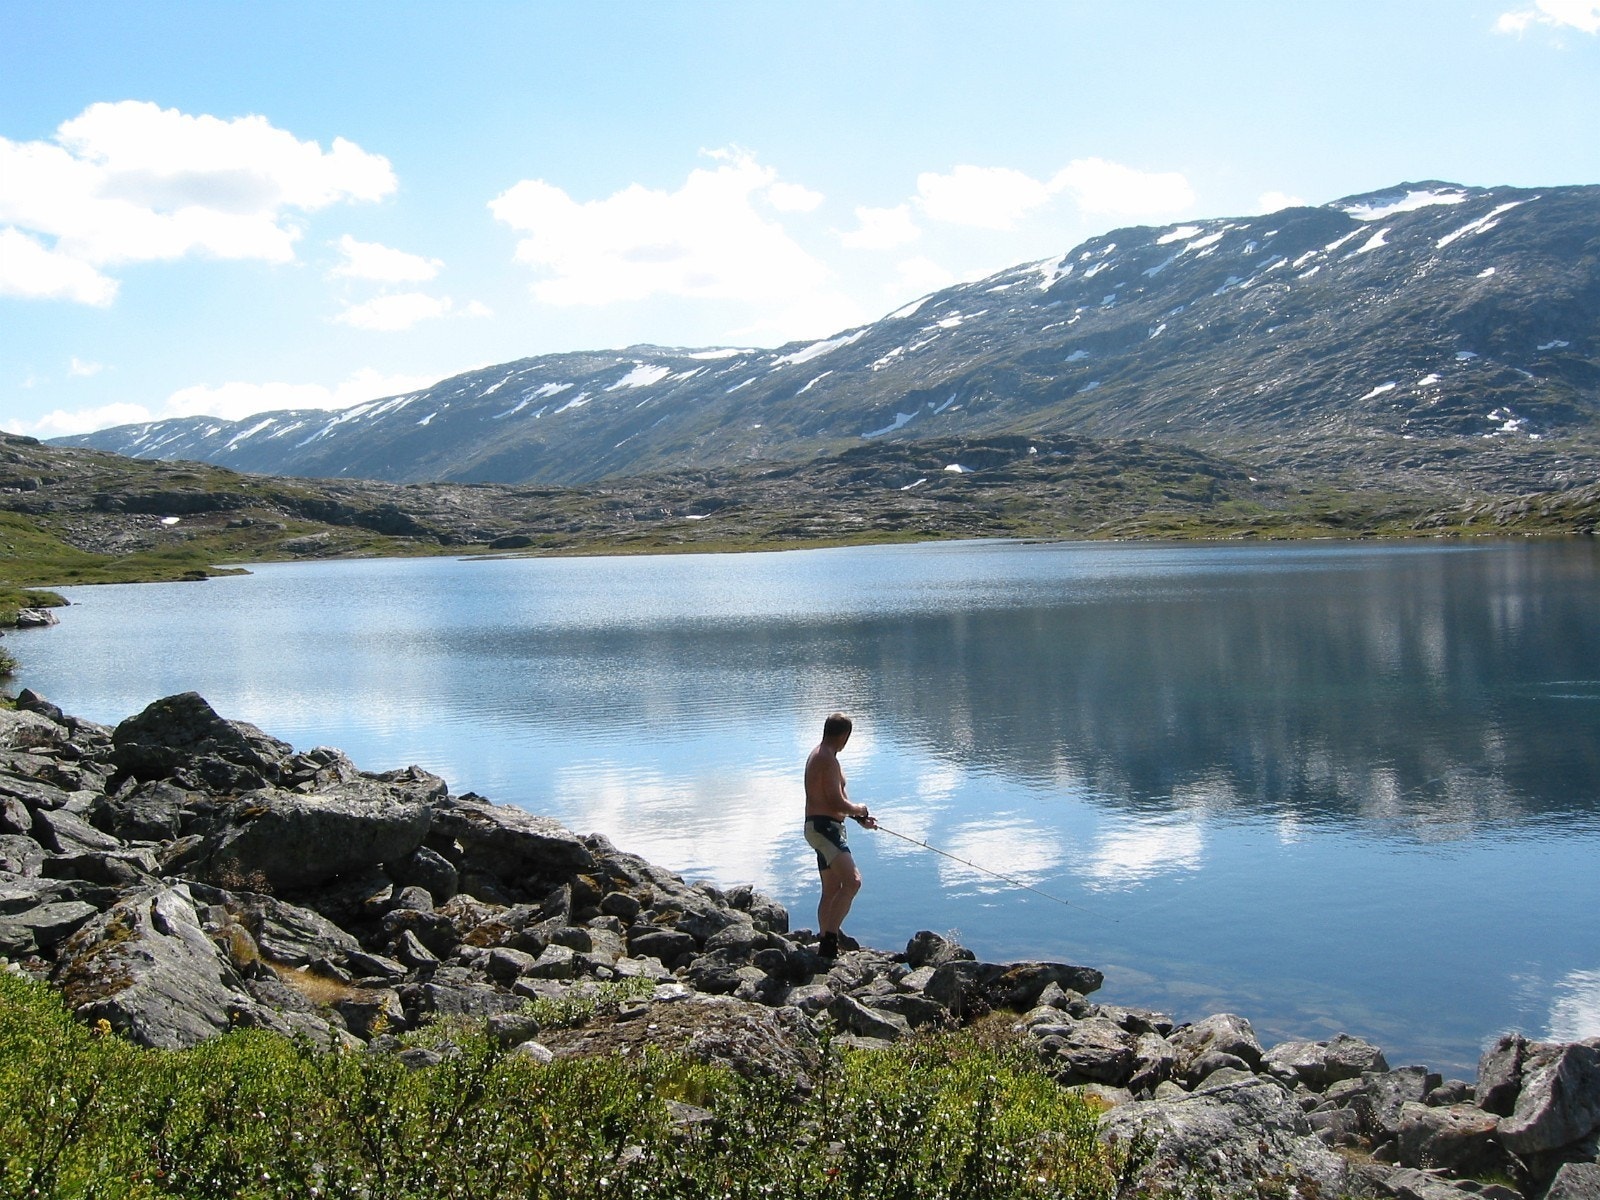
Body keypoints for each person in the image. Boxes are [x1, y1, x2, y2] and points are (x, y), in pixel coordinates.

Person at [803, 711, 877, 958]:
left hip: (823, 828)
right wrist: (860, 809)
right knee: (853, 881)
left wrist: (859, 819)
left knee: (832, 888)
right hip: (824, 829)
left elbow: (834, 801)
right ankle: (829, 941)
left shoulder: (822, 755)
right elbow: (836, 801)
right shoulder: (826, 759)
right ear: (845, 735)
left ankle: (825, 939)